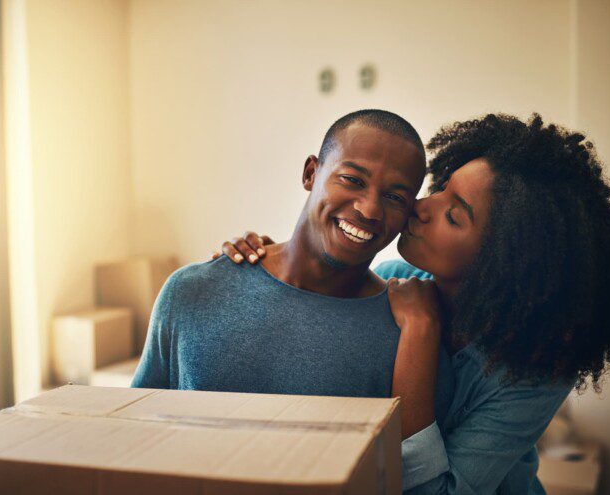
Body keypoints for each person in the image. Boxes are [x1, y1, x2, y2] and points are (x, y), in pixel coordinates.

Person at [216, 113, 610, 494]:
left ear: (503, 262)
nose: (421, 207)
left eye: (454, 215)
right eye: (440, 190)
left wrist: (420, 332)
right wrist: (260, 260)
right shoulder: (393, 279)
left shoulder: (536, 368)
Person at [131, 109, 455, 427]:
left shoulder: (412, 338)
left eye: (395, 197)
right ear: (310, 174)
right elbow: (134, 432)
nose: (369, 209)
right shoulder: (190, 292)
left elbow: (409, 471)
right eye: (352, 180)